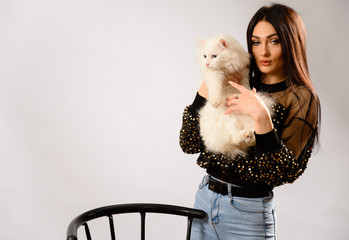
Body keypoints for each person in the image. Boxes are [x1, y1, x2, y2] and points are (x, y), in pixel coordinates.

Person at [179, 3, 321, 240]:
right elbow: (189, 143)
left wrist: (262, 118)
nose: (263, 51)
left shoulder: (301, 98)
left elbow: (281, 173)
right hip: (205, 199)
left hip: (247, 213)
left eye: (274, 41)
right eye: (256, 42)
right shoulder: (239, 79)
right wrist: (208, 86)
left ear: (291, 43)